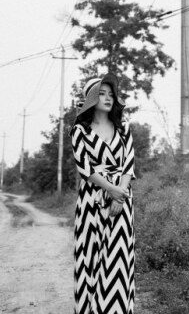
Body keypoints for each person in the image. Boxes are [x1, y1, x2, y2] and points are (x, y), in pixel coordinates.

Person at [70, 72, 135, 314]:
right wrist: (111, 190)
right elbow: (84, 167)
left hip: (122, 199)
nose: (108, 98)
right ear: (91, 99)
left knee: (117, 260)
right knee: (90, 257)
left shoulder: (124, 128)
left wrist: (121, 194)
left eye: (111, 94)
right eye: (102, 94)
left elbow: (128, 164)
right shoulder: (79, 131)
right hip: (91, 200)